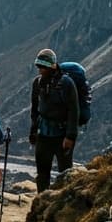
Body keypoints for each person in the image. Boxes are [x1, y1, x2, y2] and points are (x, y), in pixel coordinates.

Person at [29, 49, 80, 192]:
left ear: (52, 66)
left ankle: (65, 203)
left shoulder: (67, 83)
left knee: (65, 173)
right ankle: (41, 201)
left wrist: (70, 136)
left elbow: (73, 111)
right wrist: (33, 131)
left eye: (43, 67)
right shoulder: (37, 83)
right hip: (43, 134)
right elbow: (35, 109)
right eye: (39, 67)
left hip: (62, 135)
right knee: (42, 173)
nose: (40, 70)